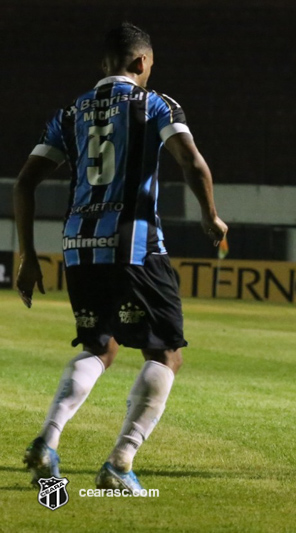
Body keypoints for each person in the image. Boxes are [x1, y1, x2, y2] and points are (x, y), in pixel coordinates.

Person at [15, 23, 227, 492]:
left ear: (103, 65)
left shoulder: (70, 112)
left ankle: (48, 442)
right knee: (165, 352)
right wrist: (210, 216)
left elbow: (25, 181)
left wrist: (27, 255)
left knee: (101, 346)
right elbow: (191, 161)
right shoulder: (155, 103)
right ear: (142, 63)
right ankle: (120, 461)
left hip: (79, 247)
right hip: (136, 246)